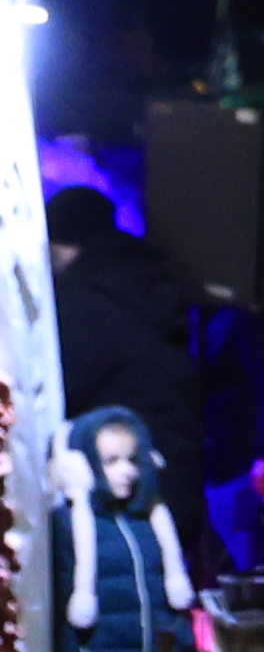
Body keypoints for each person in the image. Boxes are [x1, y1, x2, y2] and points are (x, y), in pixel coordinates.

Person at [43, 186, 217, 577]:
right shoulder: (149, 281)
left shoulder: (82, 303)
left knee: (117, 619)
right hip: (173, 472)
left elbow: (57, 393)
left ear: (67, 246)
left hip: (119, 492)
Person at [49, 407, 195, 652]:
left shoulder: (153, 522)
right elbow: (61, 599)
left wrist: (181, 642)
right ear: (85, 464)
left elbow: (164, 590)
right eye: (111, 461)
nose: (126, 471)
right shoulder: (71, 524)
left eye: (132, 459)